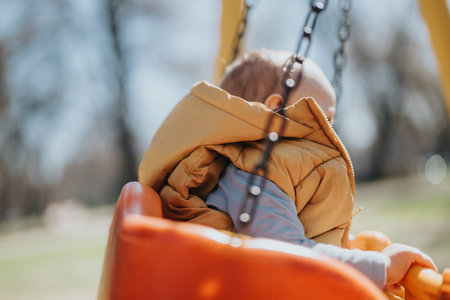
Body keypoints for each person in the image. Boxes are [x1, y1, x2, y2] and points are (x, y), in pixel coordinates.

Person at [138, 49, 436, 291]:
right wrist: (380, 269)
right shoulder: (255, 177)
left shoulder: (256, 170)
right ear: (275, 109)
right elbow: (289, 257)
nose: (330, 137)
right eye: (322, 121)